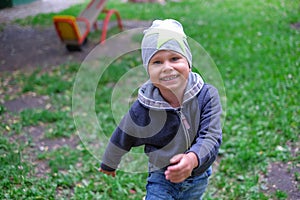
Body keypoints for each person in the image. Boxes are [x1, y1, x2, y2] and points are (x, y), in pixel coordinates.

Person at [99, 19, 222, 199]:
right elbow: (124, 134)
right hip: (162, 176)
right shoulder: (144, 108)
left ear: (188, 63)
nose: (167, 67)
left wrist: (192, 159)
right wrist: (109, 162)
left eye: (175, 58)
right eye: (157, 62)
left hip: (198, 174)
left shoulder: (207, 96)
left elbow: (211, 135)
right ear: (148, 70)